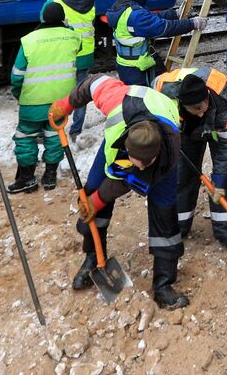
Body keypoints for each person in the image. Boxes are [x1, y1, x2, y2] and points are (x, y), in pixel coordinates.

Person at [48, 75, 188, 309]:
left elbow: (129, 181)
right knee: (91, 188)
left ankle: (163, 285)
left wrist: (99, 199)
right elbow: (93, 83)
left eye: (145, 162)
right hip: (127, 123)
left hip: (162, 159)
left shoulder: (169, 147)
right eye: (136, 160)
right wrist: (66, 104)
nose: (140, 166)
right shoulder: (114, 110)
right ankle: (93, 259)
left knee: (164, 211)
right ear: (125, 145)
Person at [154, 66, 227, 253]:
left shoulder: (222, 102)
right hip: (186, 128)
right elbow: (152, 107)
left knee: (226, 175)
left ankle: (226, 232)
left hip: (219, 125)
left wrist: (218, 181)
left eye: (202, 106)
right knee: (183, 174)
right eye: (195, 109)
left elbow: (226, 150)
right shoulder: (166, 93)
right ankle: (180, 225)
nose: (201, 112)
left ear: (207, 96)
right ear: (182, 103)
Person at [7, 3, 79, 194]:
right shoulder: (73, 37)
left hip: (33, 103)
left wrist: (18, 94)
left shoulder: (29, 40)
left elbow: (17, 75)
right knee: (55, 136)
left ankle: (27, 178)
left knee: (25, 137)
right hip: (61, 102)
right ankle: (50, 176)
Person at [105, 0, 205, 87]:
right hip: (138, 71)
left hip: (130, 66)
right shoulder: (135, 15)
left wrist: (175, 14)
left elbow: (152, 18)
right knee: (150, 99)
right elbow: (164, 28)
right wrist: (192, 24)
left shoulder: (123, 8)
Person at [42, 0, 97, 137]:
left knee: (59, 90)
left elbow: (44, 19)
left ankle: (56, 125)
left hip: (65, 55)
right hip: (86, 55)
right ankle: (76, 130)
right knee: (81, 92)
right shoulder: (90, 2)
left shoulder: (54, 0)